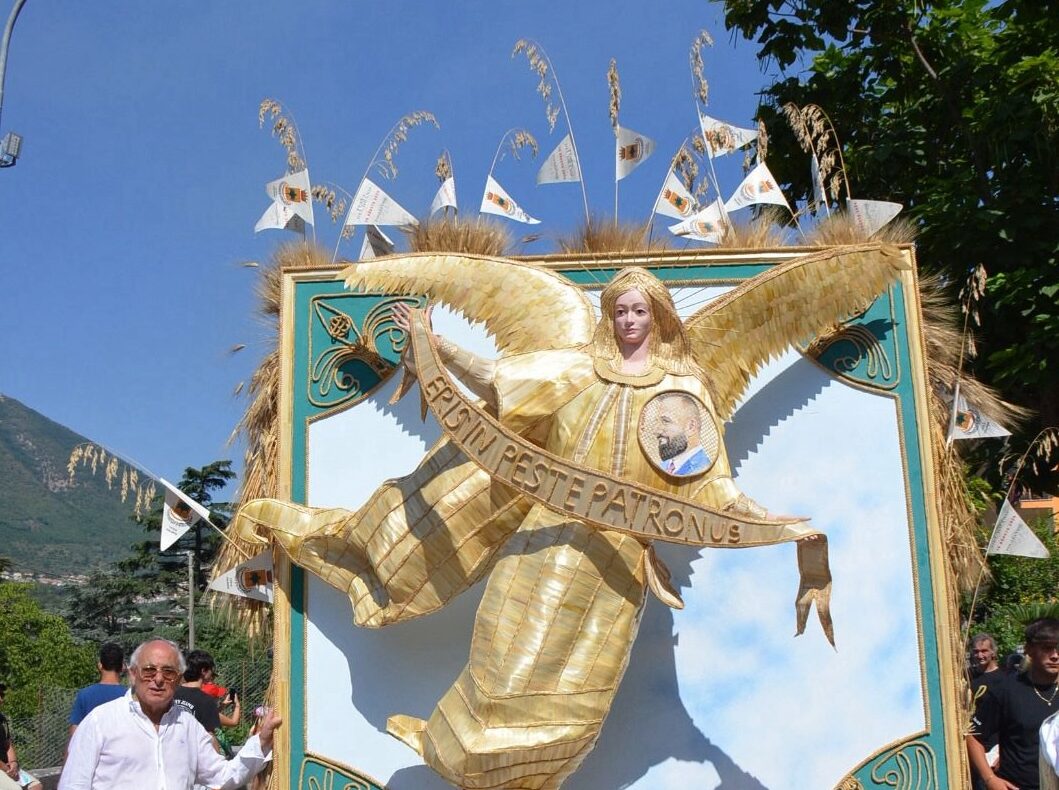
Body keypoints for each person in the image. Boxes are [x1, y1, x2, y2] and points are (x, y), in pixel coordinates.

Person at [230, 267, 823, 789]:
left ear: (659, 317)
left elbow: (707, 484)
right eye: (619, 310)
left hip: (616, 564)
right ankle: (457, 752)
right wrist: (435, 347)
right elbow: (495, 379)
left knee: (579, 701)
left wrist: (778, 528)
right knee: (501, 663)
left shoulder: (680, 394)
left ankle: (524, 779)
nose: (628, 320)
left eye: (640, 310)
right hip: (543, 537)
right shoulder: (575, 372)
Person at [59, 637, 280, 790]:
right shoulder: (100, 722)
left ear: (179, 678)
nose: (158, 679)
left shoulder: (187, 726)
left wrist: (260, 742)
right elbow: (73, 784)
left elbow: (222, 776)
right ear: (133, 674)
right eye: (149, 670)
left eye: (168, 671)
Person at [969, 618, 1059, 789]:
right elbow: (973, 737)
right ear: (1030, 650)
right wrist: (990, 779)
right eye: (1047, 648)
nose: (1055, 655)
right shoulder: (1006, 690)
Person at [66, 642, 125, 751]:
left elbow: (74, 738)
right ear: (122, 667)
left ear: (100, 665)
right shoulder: (129, 697)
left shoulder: (84, 695)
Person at [968, 633, 1003, 790]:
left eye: (984, 651)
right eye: (976, 652)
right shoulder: (967, 677)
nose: (980, 655)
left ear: (993, 652)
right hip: (971, 743)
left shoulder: (1005, 679)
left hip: (993, 747)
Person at [653, 391, 711, 475]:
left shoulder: (702, 470)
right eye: (657, 422)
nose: (656, 431)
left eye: (665, 421)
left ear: (691, 427)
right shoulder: (663, 467)